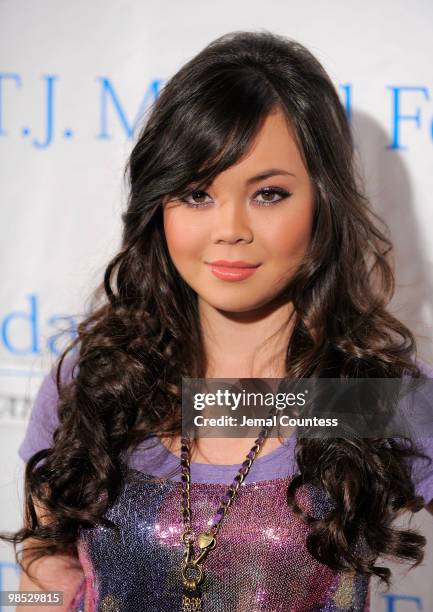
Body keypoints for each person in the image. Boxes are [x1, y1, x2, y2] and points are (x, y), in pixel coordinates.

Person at [1, 29, 433, 612]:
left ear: (323, 203)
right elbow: (41, 566)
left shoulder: (369, 397)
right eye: (197, 194)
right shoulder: (99, 379)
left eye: (269, 194)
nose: (230, 228)